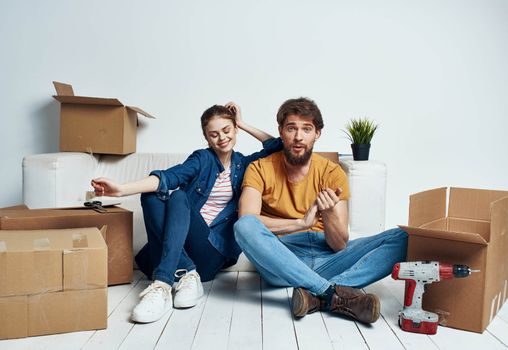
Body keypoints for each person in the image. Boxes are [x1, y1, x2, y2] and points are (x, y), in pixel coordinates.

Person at [91, 102, 281, 323]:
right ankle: (184, 275)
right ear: (206, 138)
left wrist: (242, 122)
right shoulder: (202, 159)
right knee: (153, 195)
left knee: (178, 196)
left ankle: (162, 281)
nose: (221, 138)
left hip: (212, 253)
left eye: (227, 130)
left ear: (235, 130)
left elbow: (277, 147)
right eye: (214, 134)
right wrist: (121, 190)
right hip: (182, 249)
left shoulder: (245, 164)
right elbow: (169, 176)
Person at [233, 97, 407, 324]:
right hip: (282, 256)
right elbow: (248, 219)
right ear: (281, 132)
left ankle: (318, 294)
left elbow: (339, 245)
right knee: (243, 225)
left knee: (403, 237)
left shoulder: (332, 172)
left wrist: (329, 213)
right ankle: (332, 293)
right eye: (291, 128)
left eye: (306, 129)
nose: (298, 137)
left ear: (317, 133)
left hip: (329, 256)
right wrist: (301, 223)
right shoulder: (259, 168)